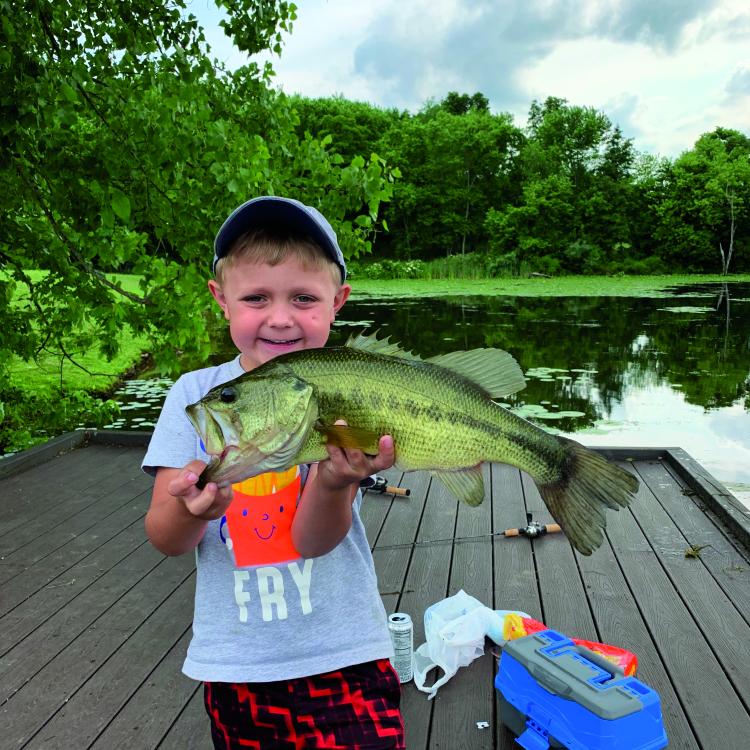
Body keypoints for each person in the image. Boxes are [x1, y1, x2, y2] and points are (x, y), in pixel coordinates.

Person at [142, 196, 405, 749]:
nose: (280, 317)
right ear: (221, 299)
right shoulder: (195, 397)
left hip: (347, 653)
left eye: (304, 298)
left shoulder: (338, 391)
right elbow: (164, 536)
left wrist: (335, 480)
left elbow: (313, 542)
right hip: (235, 666)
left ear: (338, 302)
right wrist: (189, 511)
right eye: (256, 297)